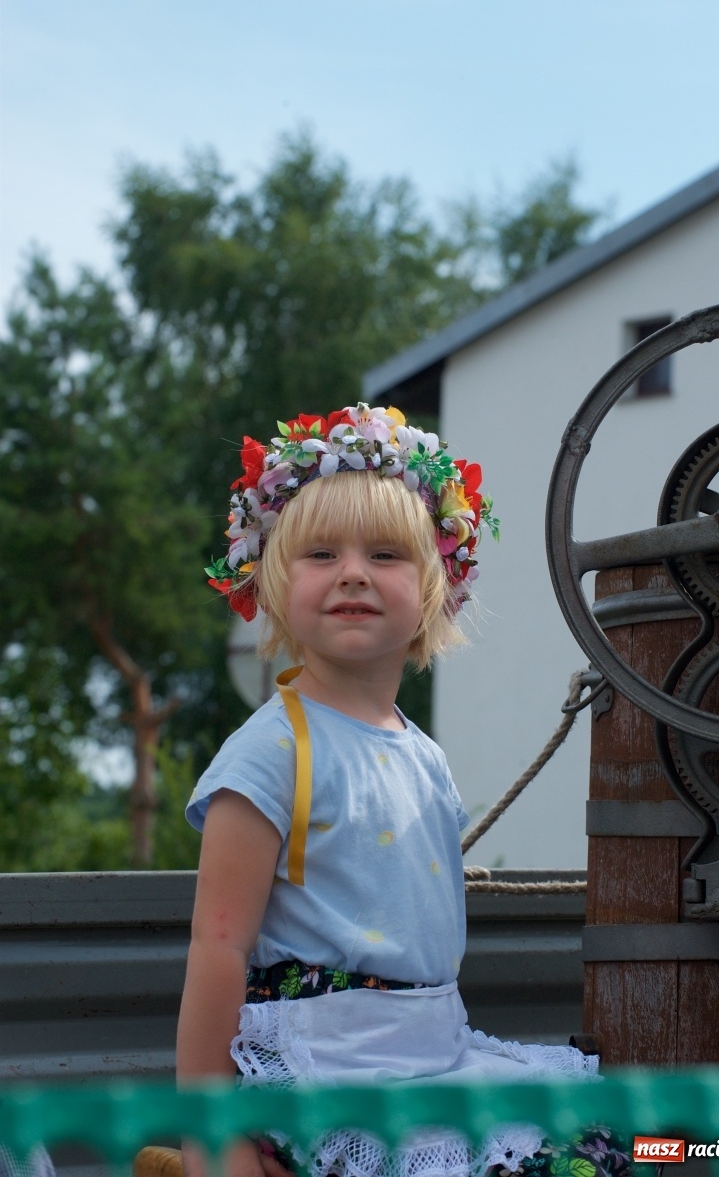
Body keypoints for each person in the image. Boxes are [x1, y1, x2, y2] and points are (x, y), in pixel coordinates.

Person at [177, 403, 632, 1177]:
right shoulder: (271, 752)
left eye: (386, 553)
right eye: (321, 553)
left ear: (434, 587)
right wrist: (209, 1143)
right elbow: (217, 949)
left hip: (433, 1057)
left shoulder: (424, 757)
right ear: (275, 582)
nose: (353, 570)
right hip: (333, 1073)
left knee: (605, 1150)